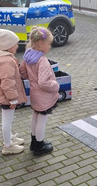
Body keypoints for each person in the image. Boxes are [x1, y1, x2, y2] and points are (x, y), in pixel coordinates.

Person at [20, 27, 59, 156]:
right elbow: (43, 82)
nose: (49, 47)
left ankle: (33, 142)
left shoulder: (27, 56)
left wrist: (32, 79)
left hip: (34, 94)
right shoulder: (42, 61)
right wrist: (55, 85)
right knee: (42, 118)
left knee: (36, 116)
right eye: (48, 44)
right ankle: (39, 145)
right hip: (43, 96)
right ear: (41, 44)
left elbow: (23, 73)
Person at [0, 29, 27, 155]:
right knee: (7, 120)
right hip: (6, 97)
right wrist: (13, 99)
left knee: (7, 120)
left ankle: (9, 137)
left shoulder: (2, 58)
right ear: (9, 46)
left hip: (4, 96)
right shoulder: (6, 61)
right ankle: (8, 146)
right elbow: (7, 82)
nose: (17, 45)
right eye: (15, 43)